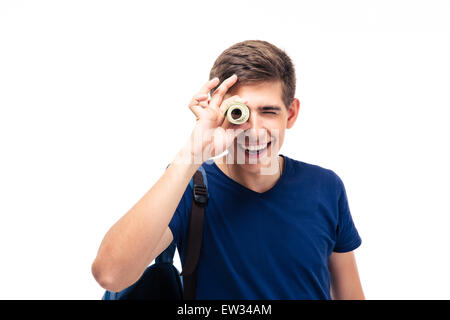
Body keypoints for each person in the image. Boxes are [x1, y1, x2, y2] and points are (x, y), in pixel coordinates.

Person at [91, 40, 365, 300]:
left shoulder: (325, 187)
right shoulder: (191, 185)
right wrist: (194, 152)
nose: (254, 131)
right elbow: (111, 274)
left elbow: (350, 294)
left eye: (268, 111)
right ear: (218, 110)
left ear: (291, 114)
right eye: (239, 112)